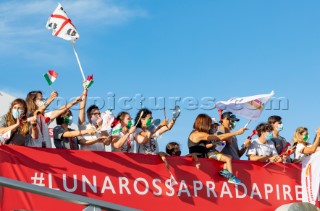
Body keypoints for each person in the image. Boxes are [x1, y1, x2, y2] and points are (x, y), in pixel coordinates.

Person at [188, 113, 247, 185]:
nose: (210, 126)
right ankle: (230, 176)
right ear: (204, 124)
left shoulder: (199, 133)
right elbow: (219, 137)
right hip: (197, 163)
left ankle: (225, 171)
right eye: (209, 124)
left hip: (202, 161)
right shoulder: (199, 134)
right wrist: (236, 132)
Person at [78, 83, 111, 151]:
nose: (98, 115)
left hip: (101, 158)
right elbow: (82, 109)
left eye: (99, 113)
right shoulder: (84, 125)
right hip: (87, 158)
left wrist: (101, 127)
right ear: (89, 116)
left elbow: (107, 142)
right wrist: (85, 90)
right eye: (95, 114)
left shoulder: (102, 128)